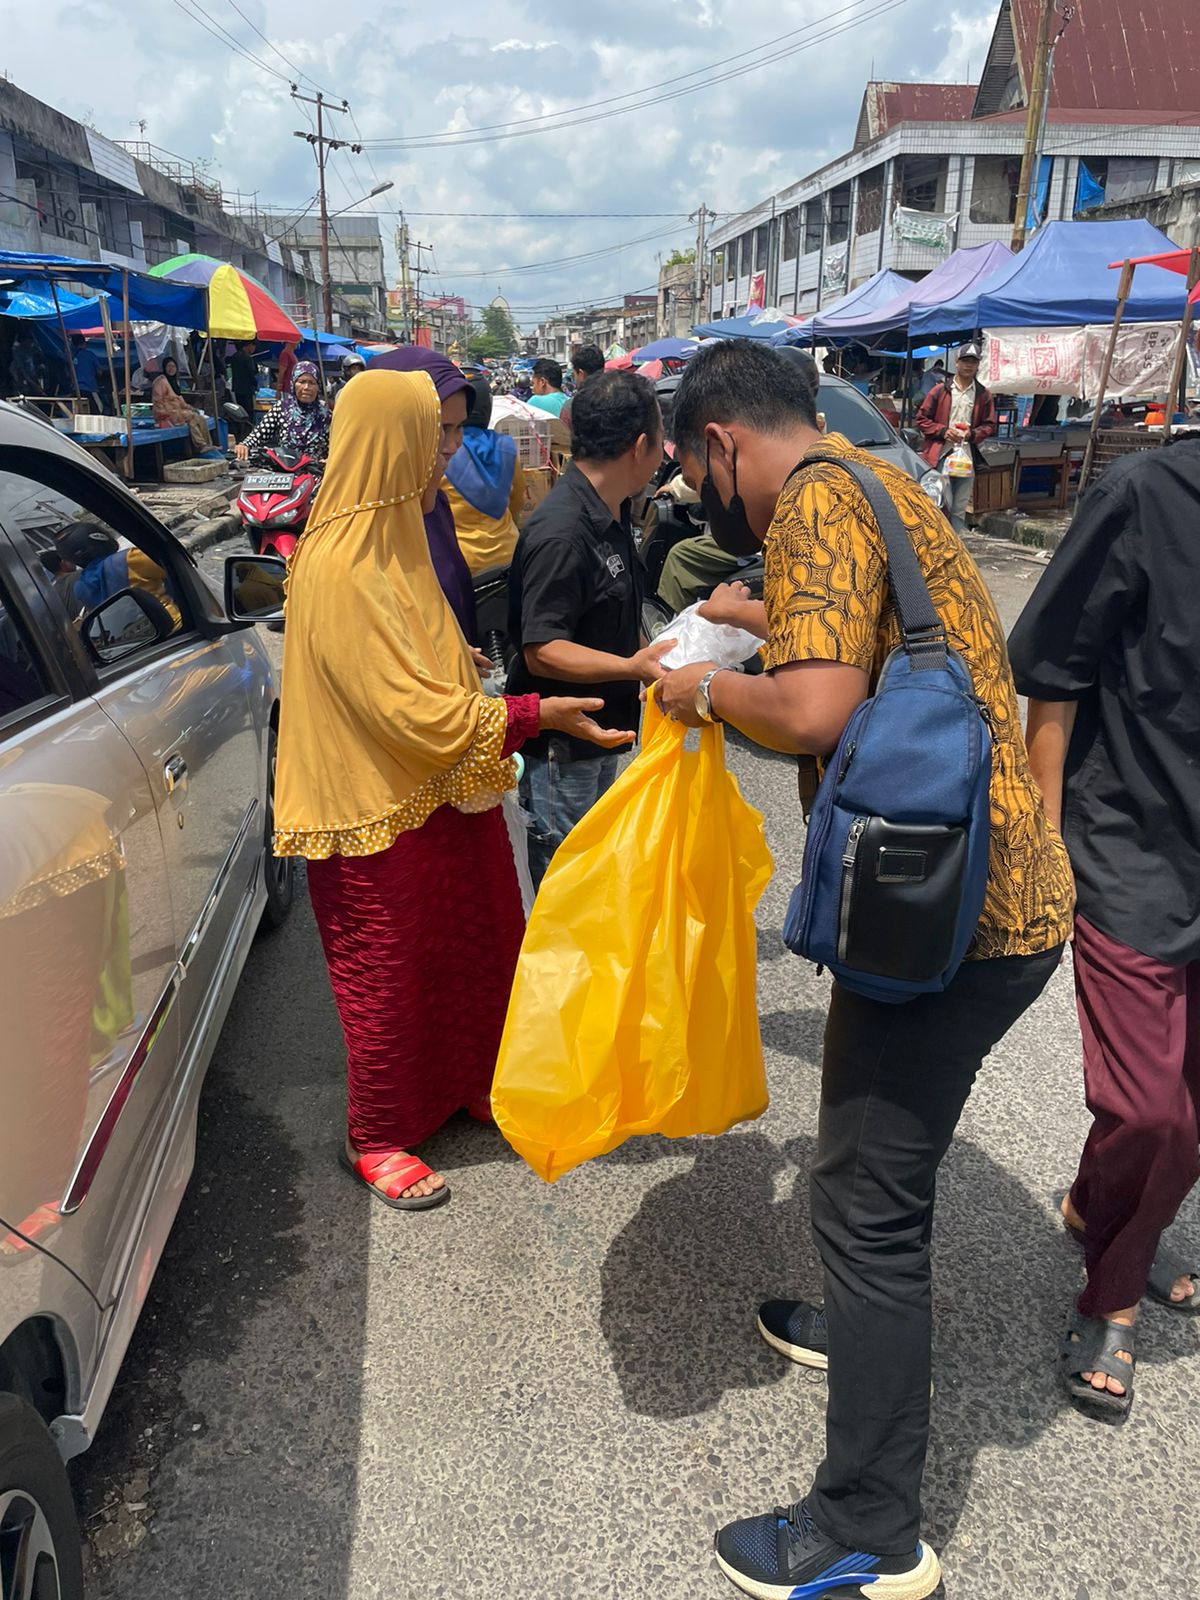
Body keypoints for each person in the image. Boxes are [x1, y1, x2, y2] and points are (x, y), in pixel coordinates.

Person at [656, 340, 1072, 1600]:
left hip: (950, 917)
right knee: (873, 1166)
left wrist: (703, 694)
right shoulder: (875, 477)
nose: (703, 502)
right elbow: (873, 636)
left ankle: (868, 1528)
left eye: (695, 475)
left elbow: (819, 707)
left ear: (722, 444)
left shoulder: (815, 503)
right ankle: (858, 1327)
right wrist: (752, 617)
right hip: (971, 893)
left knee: (865, 1195)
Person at [273, 369, 630, 1210]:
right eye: (433, 435)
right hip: (375, 813)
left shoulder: (394, 536)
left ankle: (472, 1083)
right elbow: (402, 711)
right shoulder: (336, 567)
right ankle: (378, 1132)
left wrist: (455, 664)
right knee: (391, 979)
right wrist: (532, 714)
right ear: (386, 445)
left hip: (439, 798)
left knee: (477, 950)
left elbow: (414, 651)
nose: (446, 452)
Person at [1008, 440, 1200, 1418]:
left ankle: (1102, 1207)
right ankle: (1109, 1294)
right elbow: (1052, 665)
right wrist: (1045, 833)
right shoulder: (1142, 495)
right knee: (1151, 1107)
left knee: (1191, 1104)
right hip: (1131, 844)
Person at [507, 370, 673, 888]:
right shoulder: (563, 531)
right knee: (566, 874)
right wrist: (631, 666)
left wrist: (652, 659)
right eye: (660, 441)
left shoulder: (612, 510)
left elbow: (616, 610)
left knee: (594, 872)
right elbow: (542, 649)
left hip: (600, 733)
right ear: (640, 445)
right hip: (565, 744)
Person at [367, 346, 480, 640]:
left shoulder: (433, 504)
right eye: (441, 427)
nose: (454, 444)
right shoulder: (357, 535)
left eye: (459, 428)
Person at [442, 377, 527, 575]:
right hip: (509, 556)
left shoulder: (443, 451)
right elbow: (516, 501)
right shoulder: (506, 446)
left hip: (460, 562)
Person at [915, 341, 996, 534]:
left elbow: (990, 425)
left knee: (959, 506)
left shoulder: (983, 394)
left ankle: (956, 544)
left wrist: (973, 434)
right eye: (965, 360)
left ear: (978, 365)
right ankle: (940, 542)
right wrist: (943, 431)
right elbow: (921, 419)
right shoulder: (940, 390)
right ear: (956, 362)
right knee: (942, 503)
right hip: (942, 455)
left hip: (966, 458)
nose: (969, 365)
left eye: (973, 361)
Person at [235, 361, 331, 466]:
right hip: (285, 475)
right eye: (301, 382)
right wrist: (244, 445)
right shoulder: (282, 409)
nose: (306, 387)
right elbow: (258, 435)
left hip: (315, 475)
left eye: (312, 383)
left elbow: (337, 447)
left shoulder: (326, 416)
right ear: (293, 384)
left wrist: (329, 459)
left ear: (318, 387)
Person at [151, 373, 212, 455]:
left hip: (177, 413)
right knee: (192, 416)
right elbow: (158, 402)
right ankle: (201, 444)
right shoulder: (161, 382)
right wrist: (165, 413)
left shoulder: (174, 384)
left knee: (198, 418)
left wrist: (193, 409)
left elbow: (182, 404)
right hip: (167, 415)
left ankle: (206, 444)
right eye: (169, 366)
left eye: (173, 366)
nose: (171, 369)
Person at [562, 344, 604, 427]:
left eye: (574, 375)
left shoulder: (571, 406)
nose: (574, 379)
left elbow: (563, 437)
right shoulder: (619, 399)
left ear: (581, 374)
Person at [228, 340, 260, 439]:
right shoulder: (247, 358)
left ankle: (239, 435)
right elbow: (252, 373)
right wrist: (255, 384)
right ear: (249, 345)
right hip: (247, 389)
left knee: (239, 412)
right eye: (253, 346)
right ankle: (247, 435)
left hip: (237, 388)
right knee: (248, 413)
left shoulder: (235, 356)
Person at [70, 334, 105, 412]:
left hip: (76, 390)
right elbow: (100, 371)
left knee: (79, 411)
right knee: (99, 409)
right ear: (83, 343)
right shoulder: (90, 355)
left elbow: (71, 373)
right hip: (90, 388)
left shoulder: (73, 356)